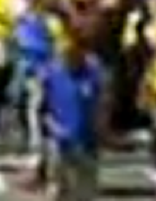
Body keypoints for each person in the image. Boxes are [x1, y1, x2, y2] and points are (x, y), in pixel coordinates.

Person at [43, 39, 105, 201]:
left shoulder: (93, 70)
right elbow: (43, 108)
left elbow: (100, 102)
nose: (78, 58)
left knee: (86, 190)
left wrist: (100, 128)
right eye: (72, 55)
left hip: (87, 140)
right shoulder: (53, 72)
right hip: (60, 141)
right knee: (59, 189)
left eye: (81, 54)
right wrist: (53, 126)